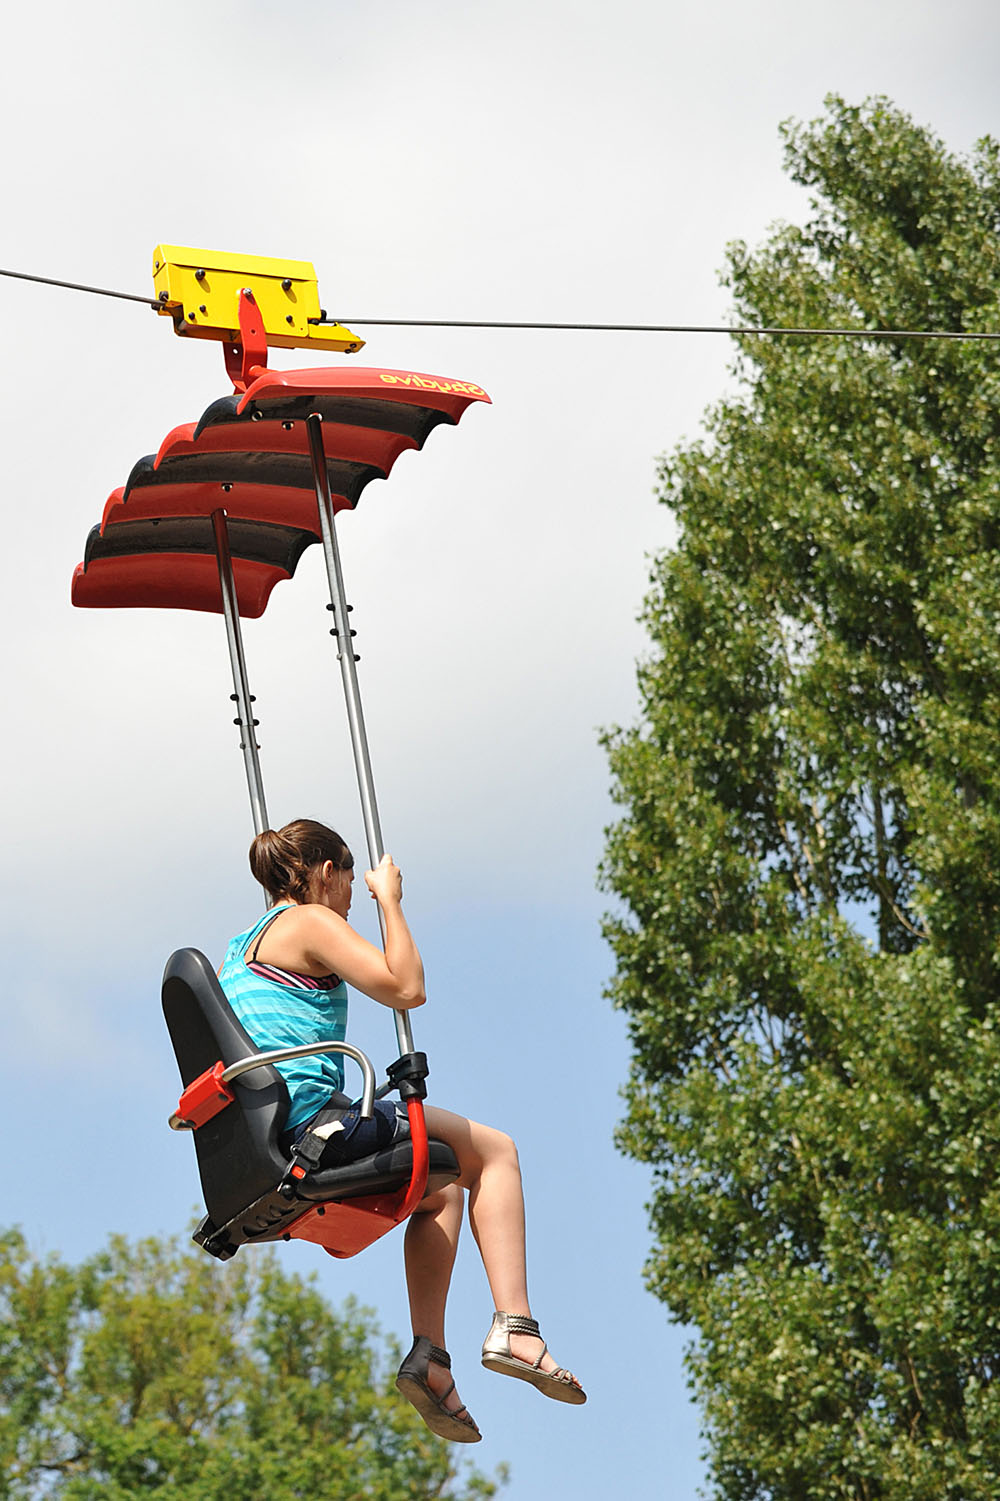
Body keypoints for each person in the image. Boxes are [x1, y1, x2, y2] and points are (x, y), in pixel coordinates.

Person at [218, 817, 585, 1443]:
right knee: (496, 1152)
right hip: (317, 1129)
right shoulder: (309, 922)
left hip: (272, 1140)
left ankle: (429, 1357)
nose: (353, 896)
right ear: (325, 873)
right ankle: (516, 1328)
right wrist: (390, 898)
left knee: (437, 1187)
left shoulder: (240, 945)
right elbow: (407, 988)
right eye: (348, 879)